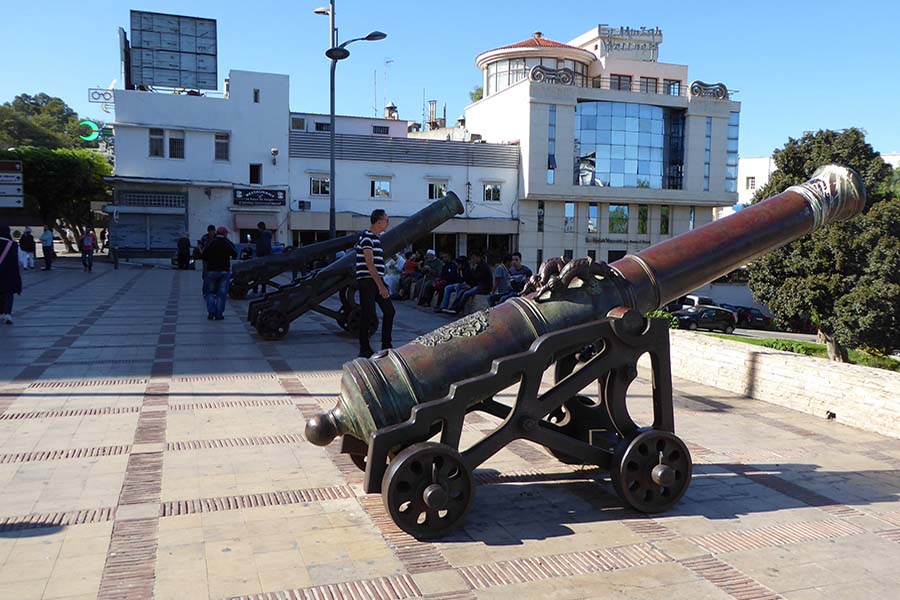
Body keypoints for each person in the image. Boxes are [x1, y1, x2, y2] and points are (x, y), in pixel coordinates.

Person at [355, 209, 395, 358]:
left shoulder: (376, 239)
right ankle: (364, 348)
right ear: (379, 222)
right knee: (368, 314)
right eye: (386, 220)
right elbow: (369, 264)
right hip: (368, 281)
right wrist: (381, 286)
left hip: (375, 280)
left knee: (389, 311)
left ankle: (386, 344)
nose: (388, 223)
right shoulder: (367, 238)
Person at [201, 226, 237, 320]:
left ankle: (211, 312)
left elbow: (204, 256)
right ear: (224, 234)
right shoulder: (227, 243)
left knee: (210, 293)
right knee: (222, 293)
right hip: (224, 271)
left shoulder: (211, 242)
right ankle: (219, 314)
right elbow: (235, 254)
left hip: (211, 271)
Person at [0, 225, 22, 324]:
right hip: (10, 274)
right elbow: (20, 260)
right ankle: (8, 314)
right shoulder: (12, 245)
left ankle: (0, 313)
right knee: (9, 294)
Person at [251, 221, 273, 296]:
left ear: (260, 228)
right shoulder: (265, 235)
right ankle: (262, 290)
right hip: (264, 258)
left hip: (262, 258)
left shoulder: (263, 236)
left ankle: (256, 291)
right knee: (262, 275)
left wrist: (261, 254)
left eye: (258, 228)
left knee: (257, 274)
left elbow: (264, 247)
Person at [197, 224, 216, 299]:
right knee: (206, 275)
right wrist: (201, 251)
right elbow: (200, 245)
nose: (212, 232)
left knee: (213, 275)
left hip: (214, 258)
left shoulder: (216, 237)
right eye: (211, 231)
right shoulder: (205, 237)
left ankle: (213, 291)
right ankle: (205, 291)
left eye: (213, 231)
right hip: (206, 258)